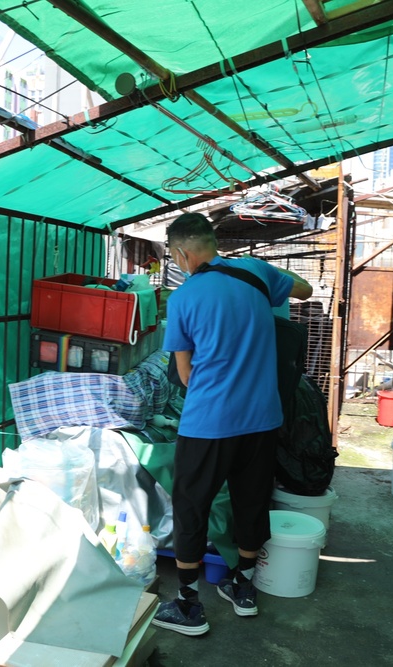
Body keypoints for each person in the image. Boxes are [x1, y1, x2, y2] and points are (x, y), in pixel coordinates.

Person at [151, 212, 312, 636]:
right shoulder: (256, 272)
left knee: (191, 507)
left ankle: (189, 607)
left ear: (183, 252)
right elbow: (304, 288)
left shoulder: (184, 298)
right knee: (252, 502)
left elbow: (184, 375)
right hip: (262, 418)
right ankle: (243, 589)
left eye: (174, 254)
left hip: (209, 423)